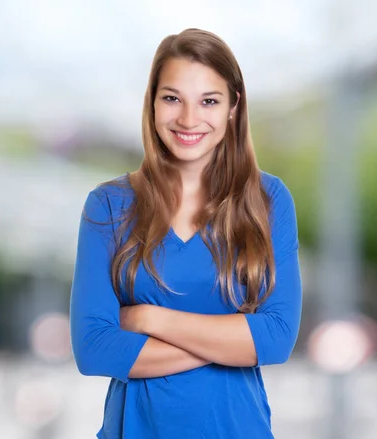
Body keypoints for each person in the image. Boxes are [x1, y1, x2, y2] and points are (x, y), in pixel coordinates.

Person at [70, 28, 302, 439]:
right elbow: (93, 348)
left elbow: (277, 339)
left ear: (233, 106)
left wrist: (147, 317)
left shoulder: (268, 201)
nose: (188, 119)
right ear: (152, 103)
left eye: (208, 101)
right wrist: (230, 341)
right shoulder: (108, 206)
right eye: (172, 98)